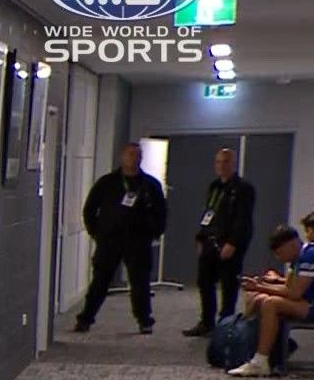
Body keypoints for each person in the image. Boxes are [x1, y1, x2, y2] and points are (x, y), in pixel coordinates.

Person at [228, 223, 314, 377]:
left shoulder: (311, 255)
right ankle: (260, 352)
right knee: (262, 298)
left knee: (271, 303)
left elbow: (294, 293)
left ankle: (260, 361)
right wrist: (263, 285)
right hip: (313, 301)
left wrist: (260, 287)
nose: (278, 258)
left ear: (292, 245)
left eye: (279, 253)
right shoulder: (301, 256)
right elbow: (290, 286)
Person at [74, 142, 167, 334]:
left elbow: (161, 213)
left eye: (137, 155)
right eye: (130, 154)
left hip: (138, 241)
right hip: (110, 240)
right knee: (100, 281)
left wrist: (154, 232)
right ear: (122, 157)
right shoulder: (106, 183)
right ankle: (85, 319)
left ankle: (144, 320)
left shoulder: (150, 185)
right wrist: (97, 233)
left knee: (140, 283)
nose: (134, 158)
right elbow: (90, 210)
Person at [183, 147, 256, 336]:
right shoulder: (214, 187)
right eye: (218, 162)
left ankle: (225, 323)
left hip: (229, 243)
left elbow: (243, 219)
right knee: (204, 281)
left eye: (225, 162)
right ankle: (206, 322)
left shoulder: (243, 188)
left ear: (233, 164)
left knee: (228, 284)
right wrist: (201, 236)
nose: (221, 166)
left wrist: (233, 242)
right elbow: (209, 212)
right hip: (210, 240)